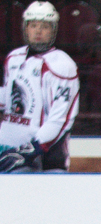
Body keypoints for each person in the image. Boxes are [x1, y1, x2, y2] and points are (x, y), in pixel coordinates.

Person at [0, 2, 79, 172]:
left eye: (44, 26)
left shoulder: (63, 65)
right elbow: (7, 100)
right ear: (25, 28)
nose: (38, 31)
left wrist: (31, 149)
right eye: (33, 25)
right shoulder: (14, 58)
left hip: (46, 156)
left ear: (53, 30)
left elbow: (60, 119)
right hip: (7, 149)